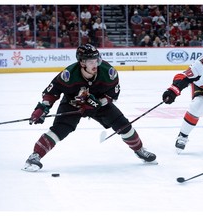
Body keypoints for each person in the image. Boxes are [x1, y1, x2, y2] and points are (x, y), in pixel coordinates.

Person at [23, 44, 156, 172]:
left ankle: (139, 150)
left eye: (97, 60)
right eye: (91, 61)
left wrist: (97, 103)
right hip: (73, 102)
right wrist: (44, 108)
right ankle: (35, 156)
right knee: (60, 129)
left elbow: (112, 94)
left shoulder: (108, 72)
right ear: (82, 63)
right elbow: (52, 92)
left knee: (123, 125)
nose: (96, 64)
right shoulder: (68, 74)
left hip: (99, 102)